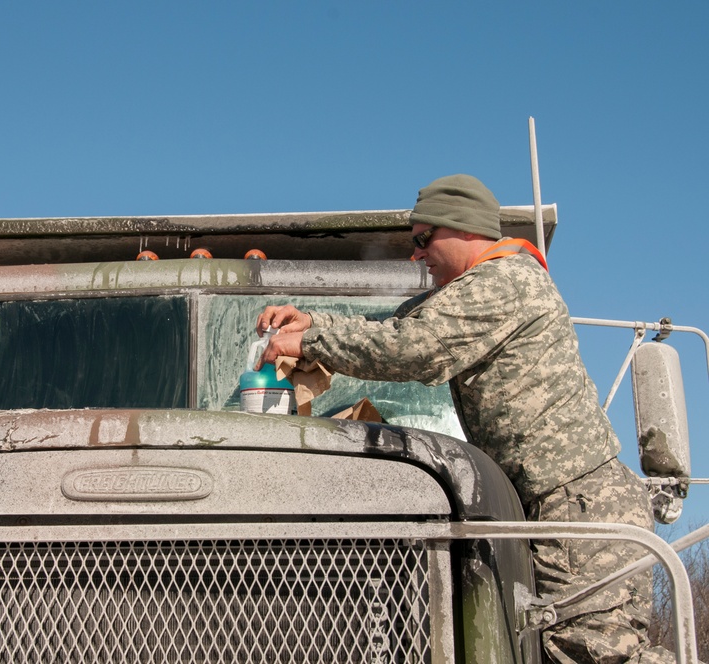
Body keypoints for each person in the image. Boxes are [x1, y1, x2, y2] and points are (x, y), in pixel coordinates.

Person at [256, 174, 673, 663]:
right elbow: (398, 327)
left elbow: (417, 348)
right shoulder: (474, 292)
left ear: (463, 227)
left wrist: (311, 342)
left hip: (575, 503)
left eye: (422, 239)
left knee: (594, 654)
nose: (416, 254)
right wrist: (316, 323)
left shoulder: (506, 281)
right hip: (545, 504)